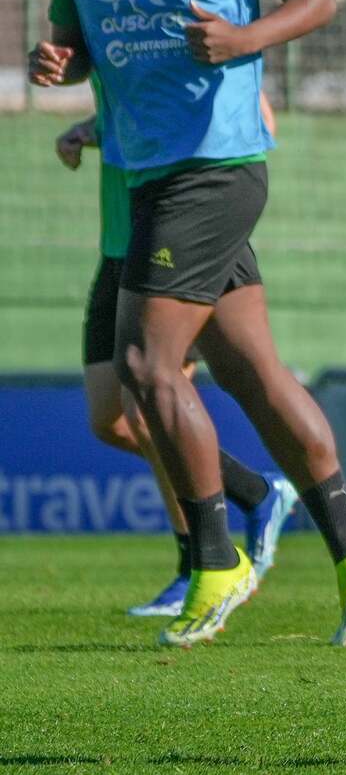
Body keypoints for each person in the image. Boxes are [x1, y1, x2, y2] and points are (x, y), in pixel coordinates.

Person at [29, 0, 346, 648]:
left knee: (146, 365)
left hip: (217, 168)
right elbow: (81, 47)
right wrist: (58, 63)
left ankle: (216, 557)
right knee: (251, 376)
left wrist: (246, 38)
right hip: (144, 174)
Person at [54, 92, 296, 618]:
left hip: (173, 247)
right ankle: (257, 491)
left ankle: (199, 565)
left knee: (147, 411)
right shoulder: (111, 41)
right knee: (109, 419)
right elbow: (128, 110)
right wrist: (91, 129)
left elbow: (257, 118)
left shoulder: (177, 24)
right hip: (117, 246)